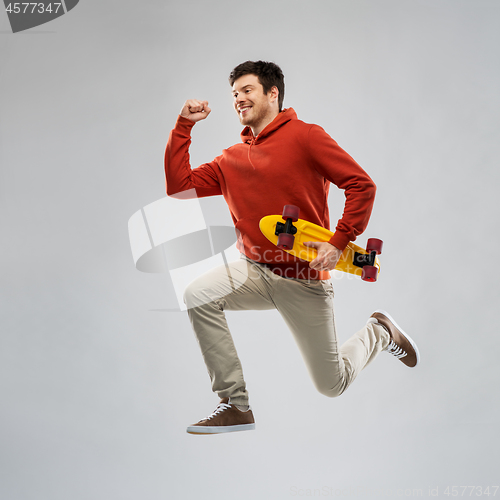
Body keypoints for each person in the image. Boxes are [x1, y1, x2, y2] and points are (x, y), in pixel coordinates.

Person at [164, 60, 420, 435]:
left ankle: (379, 331)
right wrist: (184, 126)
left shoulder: (306, 136)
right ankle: (235, 404)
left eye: (247, 90)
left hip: (305, 281)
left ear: (273, 94)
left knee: (331, 385)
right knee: (197, 295)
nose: (239, 99)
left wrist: (339, 242)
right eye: (234, 93)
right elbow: (179, 185)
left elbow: (361, 185)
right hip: (254, 270)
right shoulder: (229, 160)